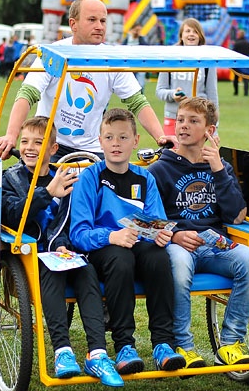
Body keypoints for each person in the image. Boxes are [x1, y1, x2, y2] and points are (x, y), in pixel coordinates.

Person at [2, 116, 123, 385]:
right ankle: (63, 351)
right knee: (52, 271)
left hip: (63, 251)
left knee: (86, 272)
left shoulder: (67, 178)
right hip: (29, 255)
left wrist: (66, 244)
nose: (30, 148)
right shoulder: (10, 178)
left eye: (38, 142)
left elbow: (74, 219)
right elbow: (10, 214)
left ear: (54, 148)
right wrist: (48, 193)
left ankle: (98, 354)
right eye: (24, 142)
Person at [68, 109, 186, 374]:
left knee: (158, 256)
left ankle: (163, 344)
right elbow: (79, 234)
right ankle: (124, 346)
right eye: (109, 137)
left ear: (136, 140)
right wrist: (111, 236)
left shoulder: (145, 178)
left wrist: (162, 235)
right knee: (120, 258)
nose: (116, 144)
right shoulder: (90, 177)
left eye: (123, 137)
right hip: (103, 250)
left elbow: (157, 221)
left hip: (138, 246)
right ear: (100, 140)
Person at [149, 98, 249, 367]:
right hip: (177, 243)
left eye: (193, 121)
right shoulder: (159, 169)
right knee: (178, 264)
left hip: (214, 243)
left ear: (209, 131)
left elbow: (236, 215)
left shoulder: (220, 168)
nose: (184, 126)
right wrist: (175, 235)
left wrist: (218, 170)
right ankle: (184, 346)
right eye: (180, 120)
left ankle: (230, 343)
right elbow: (149, 219)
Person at [0, 0, 171, 161]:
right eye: (92, 20)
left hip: (90, 149)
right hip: (49, 144)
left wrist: (161, 138)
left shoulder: (112, 59)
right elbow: (27, 94)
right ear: (73, 24)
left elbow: (138, 102)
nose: (99, 26)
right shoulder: (52, 54)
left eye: (103, 21)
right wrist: (11, 135)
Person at [156, 18, 218, 136]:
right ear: (181, 36)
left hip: (199, 119)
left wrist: (215, 128)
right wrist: (172, 94)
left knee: (193, 154)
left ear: (200, 36)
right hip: (173, 118)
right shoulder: (170, 58)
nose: (191, 34)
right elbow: (159, 91)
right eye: (188, 31)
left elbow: (212, 96)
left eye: (195, 32)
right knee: (171, 154)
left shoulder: (207, 60)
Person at [121, 23, 148, 93]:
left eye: (139, 30)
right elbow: (121, 49)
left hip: (140, 64)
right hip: (129, 64)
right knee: (130, 83)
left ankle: (141, 98)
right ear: (132, 30)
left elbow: (146, 48)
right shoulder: (127, 39)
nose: (137, 32)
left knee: (141, 84)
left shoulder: (141, 39)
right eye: (136, 30)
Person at [231, 29, 249, 96]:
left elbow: (233, 52)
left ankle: (236, 92)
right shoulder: (248, 43)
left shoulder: (237, 43)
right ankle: (246, 93)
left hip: (238, 62)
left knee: (236, 77)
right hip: (246, 62)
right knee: (246, 78)